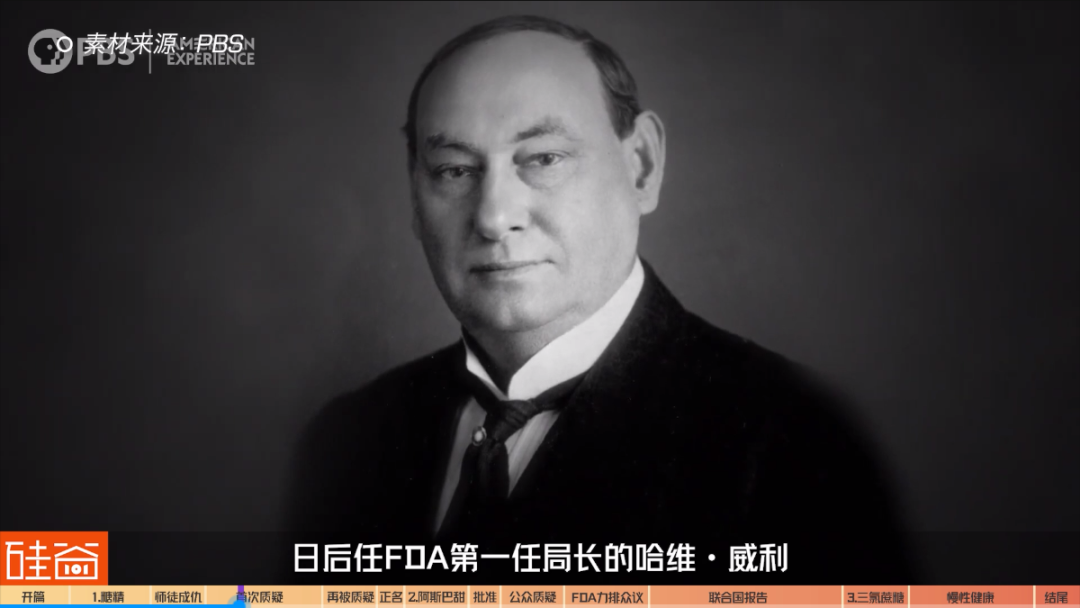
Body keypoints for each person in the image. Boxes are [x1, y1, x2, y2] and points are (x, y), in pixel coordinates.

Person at [285, 14, 911, 578]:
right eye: (455, 170)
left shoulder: (797, 443)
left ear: (642, 166)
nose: (494, 216)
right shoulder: (345, 440)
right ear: (414, 197)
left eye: (544, 158)